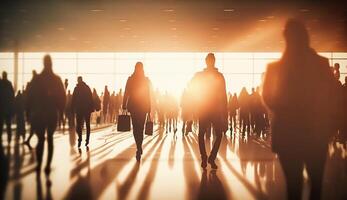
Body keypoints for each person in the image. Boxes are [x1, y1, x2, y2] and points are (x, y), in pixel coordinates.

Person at [262, 19, 341, 200]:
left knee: (293, 185)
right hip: (315, 132)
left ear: (286, 38)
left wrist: (285, 109)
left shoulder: (275, 68)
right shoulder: (321, 64)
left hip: (287, 133)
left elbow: (267, 96)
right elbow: (332, 96)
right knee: (316, 183)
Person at [26, 54, 66, 174]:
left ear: (43, 63)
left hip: (38, 113)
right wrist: (61, 113)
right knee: (50, 139)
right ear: (51, 63)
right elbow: (62, 98)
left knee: (41, 140)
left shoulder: (36, 79)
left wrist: (28, 112)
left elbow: (29, 96)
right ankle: (47, 165)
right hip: (51, 113)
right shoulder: (56, 79)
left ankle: (39, 164)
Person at [189, 53, 228, 169]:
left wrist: (195, 105)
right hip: (215, 109)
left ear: (206, 61)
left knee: (202, 134)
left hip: (204, 108)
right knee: (218, 134)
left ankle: (205, 158)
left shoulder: (200, 76)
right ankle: (210, 158)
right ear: (214, 61)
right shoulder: (219, 76)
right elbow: (223, 95)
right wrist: (225, 111)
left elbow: (192, 89)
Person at [122, 62, 152, 162]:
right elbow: (148, 94)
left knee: (135, 128)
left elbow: (126, 92)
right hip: (143, 107)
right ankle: (139, 146)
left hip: (134, 106)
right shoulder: (145, 80)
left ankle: (138, 147)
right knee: (141, 128)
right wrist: (149, 107)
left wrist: (124, 105)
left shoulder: (130, 79)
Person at [71, 76, 94, 148]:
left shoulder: (76, 89)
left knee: (79, 125)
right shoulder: (87, 88)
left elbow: (73, 100)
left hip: (79, 109)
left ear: (78, 81)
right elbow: (91, 98)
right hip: (86, 110)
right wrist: (91, 108)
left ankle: (80, 138)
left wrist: (72, 108)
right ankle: (87, 139)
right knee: (87, 125)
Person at [0, 71, 15, 146]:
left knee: (1, 124)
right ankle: (9, 138)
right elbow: (12, 96)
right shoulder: (9, 84)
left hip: (2, 108)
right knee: (8, 125)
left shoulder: (1, 83)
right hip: (7, 108)